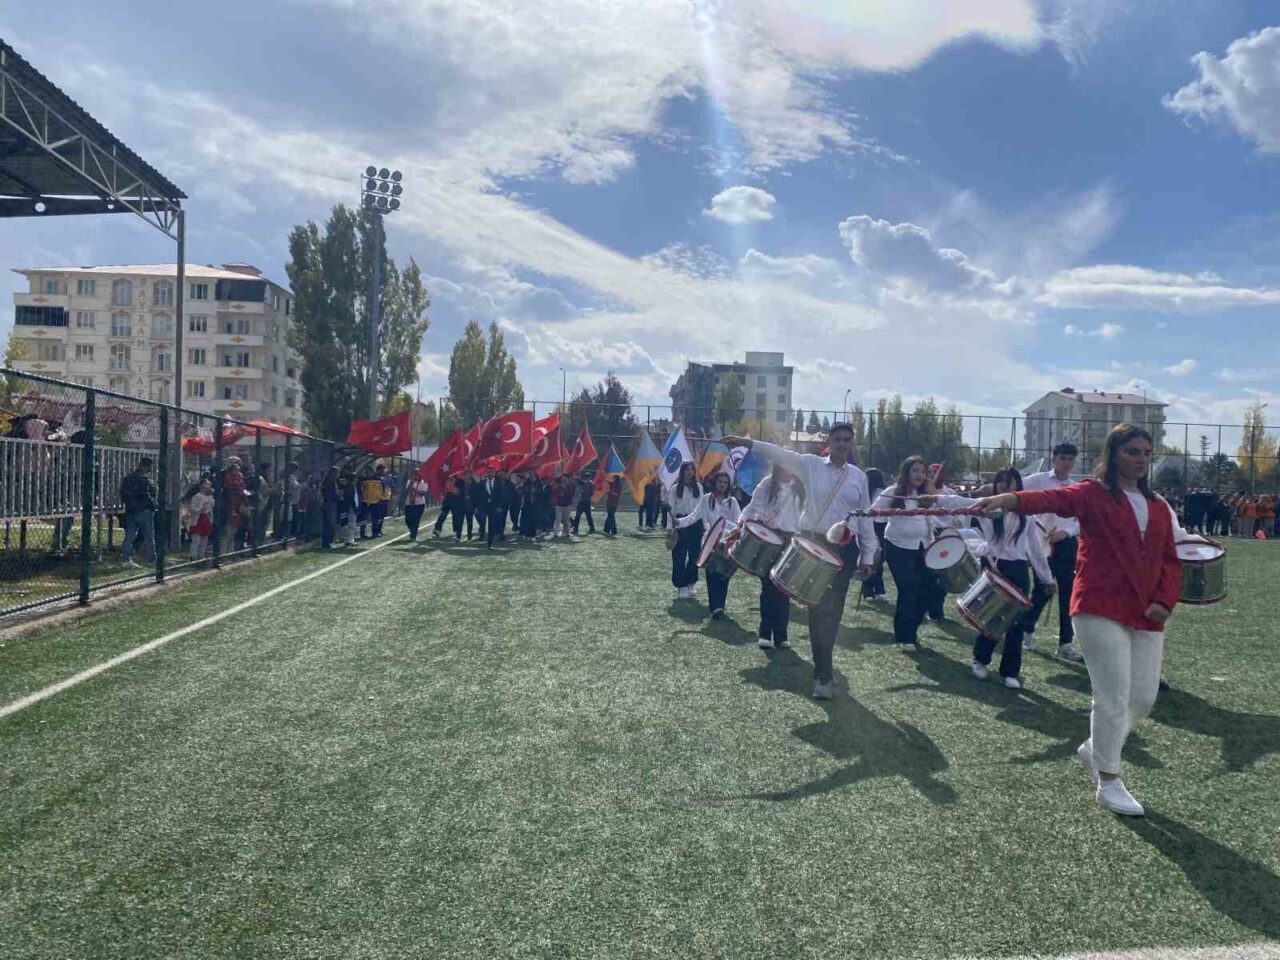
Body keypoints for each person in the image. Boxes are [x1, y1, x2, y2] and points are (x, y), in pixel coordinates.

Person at [973, 424, 1182, 817]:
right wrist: (1010, 498)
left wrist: (1164, 601)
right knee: (1112, 696)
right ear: (1114, 453)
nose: (1140, 459)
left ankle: (1093, 749)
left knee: (1143, 698)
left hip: (1148, 612)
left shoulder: (1158, 506)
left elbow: (1171, 558)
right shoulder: (1091, 493)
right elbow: (1052, 497)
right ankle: (1108, 779)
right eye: (1132, 451)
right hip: (1098, 606)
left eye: (1145, 452)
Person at [722, 424, 876, 700]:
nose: (842, 444)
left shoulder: (859, 477)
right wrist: (746, 444)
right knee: (818, 610)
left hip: (844, 549)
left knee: (833, 612)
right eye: (838, 439)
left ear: (853, 443)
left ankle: (823, 667)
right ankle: (823, 676)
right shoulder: (810, 465)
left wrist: (867, 554)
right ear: (829, 441)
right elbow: (778, 453)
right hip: (812, 543)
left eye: (847, 440)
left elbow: (863, 517)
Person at [939, 468, 1054, 689]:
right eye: (1000, 483)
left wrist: (1046, 578)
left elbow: (1036, 551)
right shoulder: (987, 507)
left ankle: (1010, 672)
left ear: (1017, 486)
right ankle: (980, 660)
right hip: (994, 567)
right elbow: (959, 500)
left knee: (1016, 624)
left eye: (1009, 483)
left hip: (1019, 571)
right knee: (992, 618)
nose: (1004, 487)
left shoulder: (1027, 515)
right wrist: (935, 498)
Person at [1018, 443, 1085, 661]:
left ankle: (1065, 643)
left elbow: (1080, 521)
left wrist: (1066, 533)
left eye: (1071, 459)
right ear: (1053, 457)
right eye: (1063, 458)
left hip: (1066, 545)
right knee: (1042, 590)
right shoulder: (1038, 480)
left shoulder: (1076, 488)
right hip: (1041, 544)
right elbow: (1016, 491)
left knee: (1068, 593)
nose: (1067, 463)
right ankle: (1026, 631)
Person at [873, 457, 938, 650]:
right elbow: (874, 511)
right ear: (906, 473)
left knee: (926, 590)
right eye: (915, 470)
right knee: (908, 590)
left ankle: (912, 630)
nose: (919, 475)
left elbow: (939, 515)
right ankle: (904, 636)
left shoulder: (926, 494)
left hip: (923, 546)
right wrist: (889, 513)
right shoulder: (894, 491)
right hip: (898, 546)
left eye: (922, 471)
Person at [739, 464, 803, 649]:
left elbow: (804, 516)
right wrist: (740, 524)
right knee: (768, 588)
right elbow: (752, 509)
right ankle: (765, 633)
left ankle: (781, 636)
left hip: (790, 539)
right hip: (768, 537)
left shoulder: (800, 487)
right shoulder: (767, 484)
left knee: (784, 589)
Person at [674, 471, 741, 618]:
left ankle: (720, 606)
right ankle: (715, 608)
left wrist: (726, 529)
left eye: (725, 482)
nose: (722, 485)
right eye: (720, 482)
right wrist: (678, 522)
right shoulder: (706, 499)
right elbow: (694, 516)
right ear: (715, 483)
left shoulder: (732, 502)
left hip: (727, 544)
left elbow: (738, 523)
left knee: (723, 576)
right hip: (710, 544)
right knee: (711, 574)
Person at [666, 463, 703, 599]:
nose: (689, 472)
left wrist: (704, 526)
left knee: (694, 556)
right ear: (682, 472)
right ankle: (680, 586)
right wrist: (669, 529)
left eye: (692, 469)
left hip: (695, 524)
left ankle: (691, 584)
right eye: (687, 470)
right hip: (680, 524)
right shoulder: (675, 489)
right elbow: (671, 510)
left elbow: (702, 507)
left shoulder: (699, 487)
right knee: (679, 557)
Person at [120, 457, 157, 568]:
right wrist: (153, 505)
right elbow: (147, 495)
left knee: (130, 536)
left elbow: (123, 493)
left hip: (131, 510)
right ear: (147, 466)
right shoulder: (144, 479)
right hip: (144, 510)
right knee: (149, 536)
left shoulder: (128, 478)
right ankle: (151, 560)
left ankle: (126, 559)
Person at [860, 467, 888, 601]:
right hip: (874, 527)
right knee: (872, 559)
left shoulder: (879, 493)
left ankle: (874, 590)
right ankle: (873, 591)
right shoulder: (867, 493)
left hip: (876, 526)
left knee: (873, 559)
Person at [486, 470, 514, 548]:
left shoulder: (508, 483)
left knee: (502, 519)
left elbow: (511, 493)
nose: (502, 475)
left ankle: (501, 533)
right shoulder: (496, 482)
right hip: (496, 505)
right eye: (501, 474)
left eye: (503, 474)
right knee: (496, 519)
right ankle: (497, 533)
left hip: (505, 505)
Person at [188, 478, 215, 560]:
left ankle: (201, 555)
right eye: (206, 484)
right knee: (196, 539)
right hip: (198, 519)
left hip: (206, 519)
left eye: (208, 484)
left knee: (204, 539)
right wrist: (200, 509)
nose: (207, 486)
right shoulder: (197, 496)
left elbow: (212, 507)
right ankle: (193, 556)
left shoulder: (210, 497)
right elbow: (192, 508)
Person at [403, 473, 429, 541]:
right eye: (414, 475)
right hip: (409, 503)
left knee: (416, 520)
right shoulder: (410, 481)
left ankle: (413, 535)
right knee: (408, 519)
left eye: (417, 475)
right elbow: (406, 491)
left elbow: (422, 493)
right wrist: (410, 485)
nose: (416, 476)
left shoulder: (424, 483)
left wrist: (413, 488)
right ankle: (412, 530)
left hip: (419, 504)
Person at [320, 466, 339, 549]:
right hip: (329, 504)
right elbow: (330, 494)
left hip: (329, 504)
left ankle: (328, 541)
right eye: (337, 473)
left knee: (329, 524)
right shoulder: (329, 482)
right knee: (328, 524)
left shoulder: (331, 481)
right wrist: (337, 496)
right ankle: (326, 543)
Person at [572, 470, 596, 535]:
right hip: (585, 501)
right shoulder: (590, 483)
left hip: (584, 501)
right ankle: (591, 529)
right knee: (585, 516)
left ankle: (576, 529)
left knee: (581, 516)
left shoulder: (588, 483)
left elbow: (578, 480)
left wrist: (575, 475)